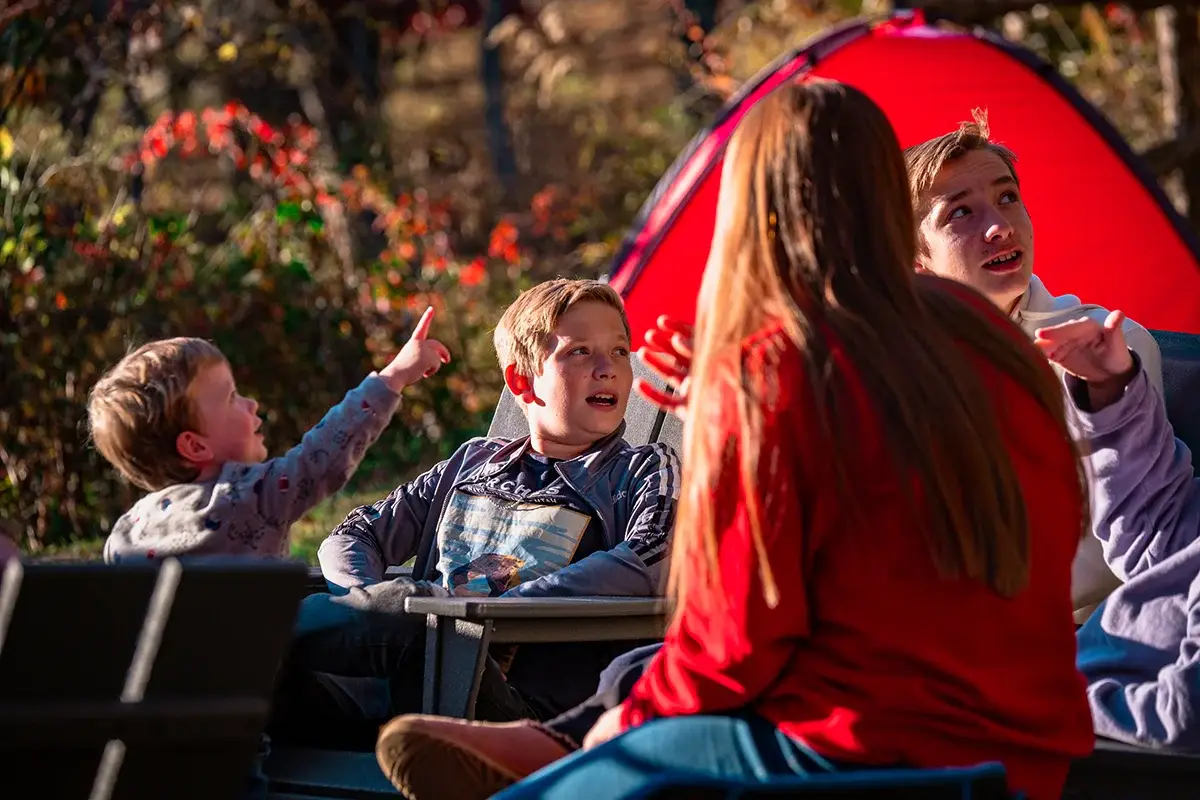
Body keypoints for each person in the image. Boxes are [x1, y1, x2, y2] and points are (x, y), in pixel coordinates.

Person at [372, 80, 1092, 800]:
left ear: (759, 209)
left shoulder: (781, 363)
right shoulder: (1003, 349)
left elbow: (735, 644)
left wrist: (623, 723)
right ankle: (556, 747)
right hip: (1022, 754)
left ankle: (561, 750)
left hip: (852, 758)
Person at [271, 278, 680, 748]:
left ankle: (259, 638)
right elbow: (353, 534)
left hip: (516, 715)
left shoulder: (641, 469)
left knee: (419, 621)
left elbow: (649, 558)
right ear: (522, 381)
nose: (608, 368)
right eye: (581, 352)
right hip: (404, 676)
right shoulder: (473, 464)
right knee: (267, 685)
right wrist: (371, 604)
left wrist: (482, 611)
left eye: (621, 352)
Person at [904, 113, 1163, 620]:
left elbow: (1121, 538)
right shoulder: (895, 364)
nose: (1000, 226)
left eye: (1007, 198)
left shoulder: (1107, 351)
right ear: (917, 258)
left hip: (1075, 642)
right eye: (960, 214)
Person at [88, 306, 450, 563]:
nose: (251, 403)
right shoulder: (250, 497)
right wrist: (395, 376)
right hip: (261, 664)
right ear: (195, 445)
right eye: (232, 398)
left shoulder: (126, 533)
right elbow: (321, 456)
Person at [1038, 314, 1200, 749]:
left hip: (1105, 753)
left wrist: (1044, 695)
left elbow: (1182, 714)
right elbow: (1160, 538)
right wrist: (1112, 392)